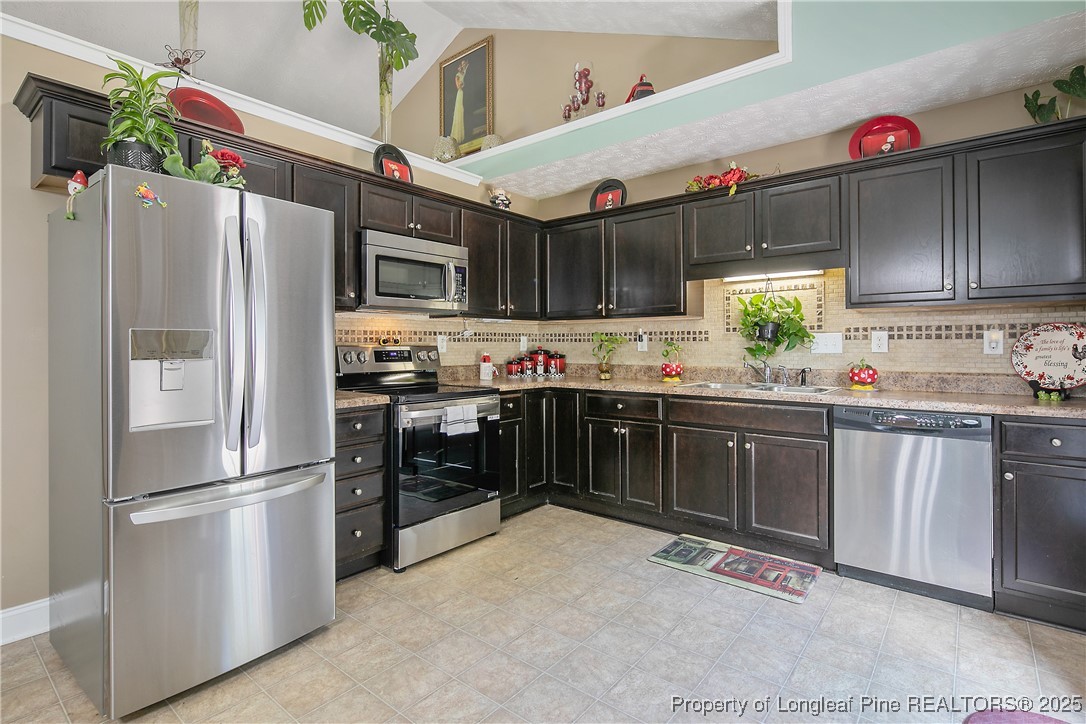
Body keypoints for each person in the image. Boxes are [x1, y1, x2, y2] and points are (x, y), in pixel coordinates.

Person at [450, 58, 468, 143]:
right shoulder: (457, 75)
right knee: (459, 111)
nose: (463, 66)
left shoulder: (465, 72)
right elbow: (458, 86)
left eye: (464, 64)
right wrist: (462, 84)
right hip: (460, 93)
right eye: (462, 64)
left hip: (464, 93)